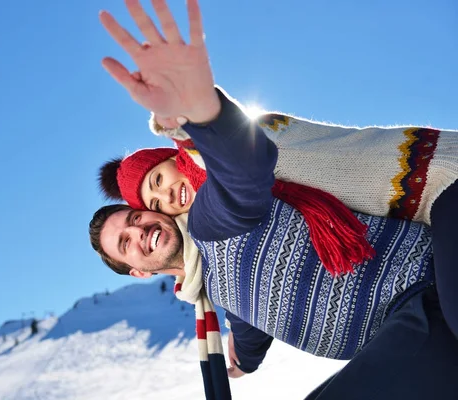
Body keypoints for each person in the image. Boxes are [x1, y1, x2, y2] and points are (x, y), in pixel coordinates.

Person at [92, 0, 458, 399]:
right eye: (126, 242)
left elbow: (243, 168)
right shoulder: (215, 290)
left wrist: (198, 113)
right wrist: (244, 359)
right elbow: (249, 330)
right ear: (138, 272)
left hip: (426, 275)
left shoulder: (209, 221)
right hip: (407, 327)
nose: (141, 228)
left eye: (134, 219)